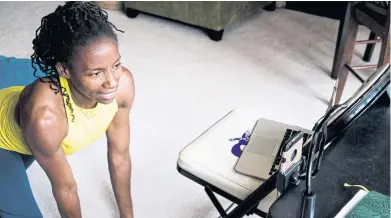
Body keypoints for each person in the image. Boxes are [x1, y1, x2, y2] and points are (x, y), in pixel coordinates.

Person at [0, 2, 135, 218]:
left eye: (116, 65)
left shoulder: (124, 83)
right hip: (6, 138)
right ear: (64, 70)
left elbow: (120, 156)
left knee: (30, 72)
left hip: (22, 104)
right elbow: (66, 188)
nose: (111, 82)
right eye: (96, 73)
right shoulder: (46, 118)